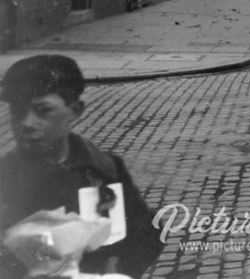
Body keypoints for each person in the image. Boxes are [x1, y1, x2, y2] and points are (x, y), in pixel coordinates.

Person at [0, 55, 163, 278]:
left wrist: (120, 268)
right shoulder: (6, 178)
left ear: (75, 110)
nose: (26, 123)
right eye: (18, 112)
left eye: (42, 110)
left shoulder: (105, 169)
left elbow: (144, 230)